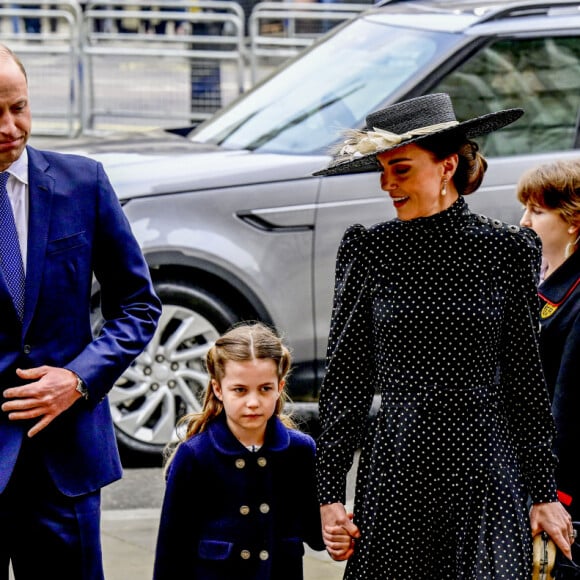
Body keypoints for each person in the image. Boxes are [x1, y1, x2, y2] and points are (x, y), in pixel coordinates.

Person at [312, 92, 574, 579]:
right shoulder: (369, 250)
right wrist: (329, 495)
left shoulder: (506, 249)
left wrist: (542, 492)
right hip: (398, 470)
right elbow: (346, 381)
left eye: (402, 169)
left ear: (447, 165)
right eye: (382, 170)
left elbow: (525, 379)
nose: (388, 184)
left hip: (485, 472)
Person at [0, 43, 162, 579]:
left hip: (63, 459)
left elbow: (137, 305)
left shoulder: (83, 183)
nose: (10, 126)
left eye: (18, 107)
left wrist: (78, 378)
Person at [152, 322, 325, 580]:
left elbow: (315, 534)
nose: (253, 402)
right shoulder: (195, 455)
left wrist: (338, 529)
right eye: (240, 390)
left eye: (265, 388)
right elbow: (172, 549)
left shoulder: (300, 450)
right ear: (219, 389)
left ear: (279, 387)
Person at [518, 160, 580, 523]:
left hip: (561, 486)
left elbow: (568, 403)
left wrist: (552, 492)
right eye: (525, 208)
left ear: (573, 220)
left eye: (537, 211)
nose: (525, 220)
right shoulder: (540, 278)